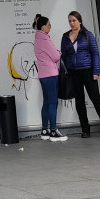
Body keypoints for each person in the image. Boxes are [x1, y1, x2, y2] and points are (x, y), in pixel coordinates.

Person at [61, 10, 100, 139]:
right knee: (79, 101)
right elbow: (63, 55)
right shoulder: (65, 36)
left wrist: (96, 71)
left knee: (96, 99)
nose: (72, 23)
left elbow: (95, 54)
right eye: (70, 21)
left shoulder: (87, 35)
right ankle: (85, 130)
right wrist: (68, 68)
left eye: (74, 20)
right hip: (73, 72)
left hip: (87, 71)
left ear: (79, 21)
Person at [33, 14, 67, 142]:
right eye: (48, 25)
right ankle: (53, 131)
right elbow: (56, 56)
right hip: (50, 74)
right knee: (53, 102)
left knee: (47, 102)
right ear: (42, 26)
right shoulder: (45, 39)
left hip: (43, 75)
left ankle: (44, 130)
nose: (50, 27)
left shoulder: (37, 38)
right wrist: (58, 52)